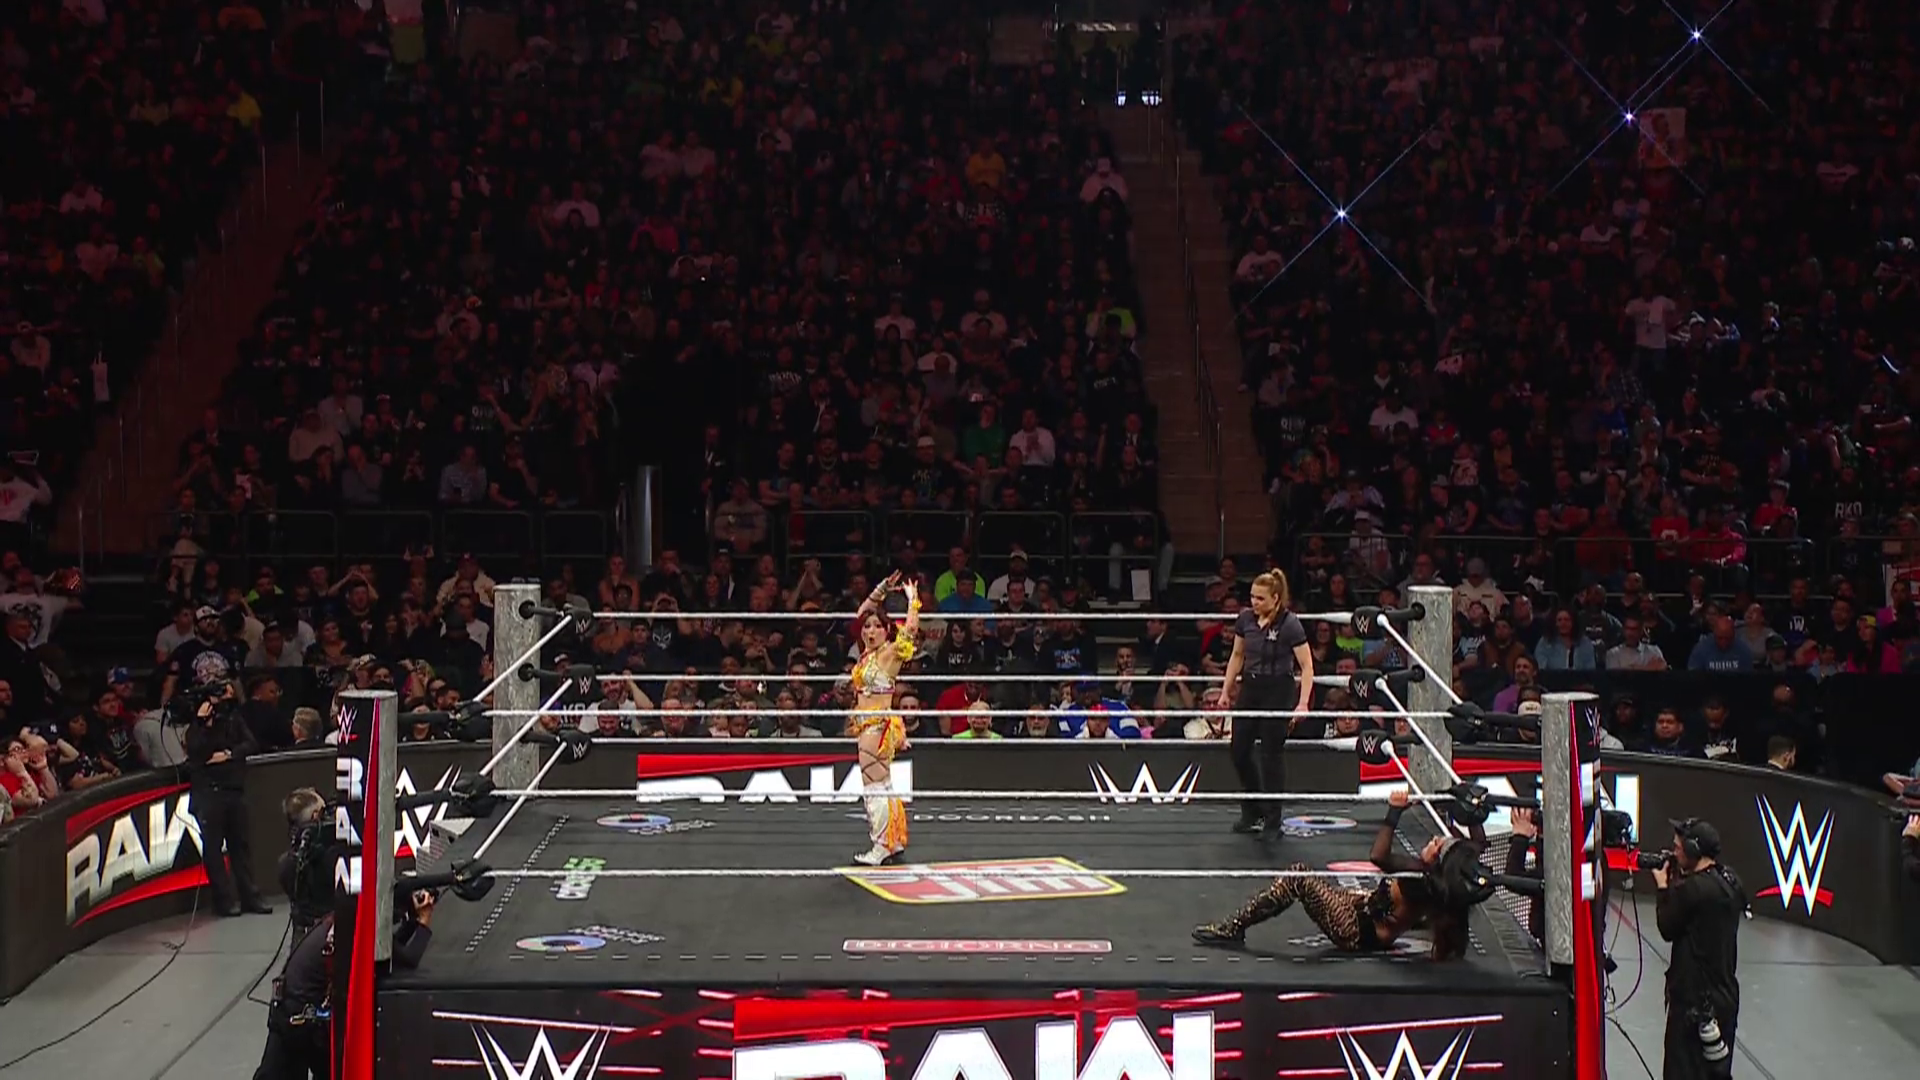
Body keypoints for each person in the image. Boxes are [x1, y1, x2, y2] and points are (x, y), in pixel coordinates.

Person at [1194, 788, 1488, 957]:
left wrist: (1394, 811)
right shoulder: (1434, 879)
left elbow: (1378, 856)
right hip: (1361, 907)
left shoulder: (1420, 877)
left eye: (1435, 844)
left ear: (1438, 860)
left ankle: (1234, 927)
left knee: (1299, 877)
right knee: (1314, 885)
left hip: (1357, 930)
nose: (1431, 840)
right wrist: (1472, 814)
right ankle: (1235, 926)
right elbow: (1475, 848)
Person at [254, 891, 436, 1080]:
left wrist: (412, 922)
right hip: (300, 1019)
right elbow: (408, 958)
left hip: (290, 1009)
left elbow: (390, 950)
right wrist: (424, 919)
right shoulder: (357, 928)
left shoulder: (345, 918)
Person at [1221, 570, 1312, 836]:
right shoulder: (1245, 619)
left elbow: (1306, 665)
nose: (1254, 602)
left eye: (1260, 598)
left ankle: (1273, 819)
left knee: (1271, 754)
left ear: (1275, 598)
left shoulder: (1289, 623)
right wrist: (1226, 690)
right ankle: (1253, 809)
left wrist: (1303, 702)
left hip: (1278, 689)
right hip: (1251, 687)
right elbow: (1237, 655)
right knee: (1239, 750)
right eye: (1252, 597)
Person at [1654, 819, 1746, 1080]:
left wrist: (1663, 887)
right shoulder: (1730, 881)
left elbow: (1667, 927)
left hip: (1693, 1005)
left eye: (1677, 848)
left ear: (1693, 850)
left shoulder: (1693, 889)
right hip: (1723, 1000)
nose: (1674, 853)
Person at [847, 571, 921, 866]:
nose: (870, 631)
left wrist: (912, 601)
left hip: (875, 728)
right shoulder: (866, 655)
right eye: (868, 627)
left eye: (878, 626)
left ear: (886, 630)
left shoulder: (888, 654)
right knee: (884, 785)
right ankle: (893, 841)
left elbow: (910, 631)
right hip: (870, 725)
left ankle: (880, 847)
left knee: (874, 787)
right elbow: (860, 614)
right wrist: (881, 589)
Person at [181, 680, 272, 917]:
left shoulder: (234, 720)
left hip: (233, 791)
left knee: (241, 847)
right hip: (208, 794)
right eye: (223, 696)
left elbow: (251, 744)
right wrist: (204, 724)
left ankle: (250, 897)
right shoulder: (196, 727)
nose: (227, 701)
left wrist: (230, 754)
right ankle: (224, 901)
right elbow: (197, 753)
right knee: (213, 850)